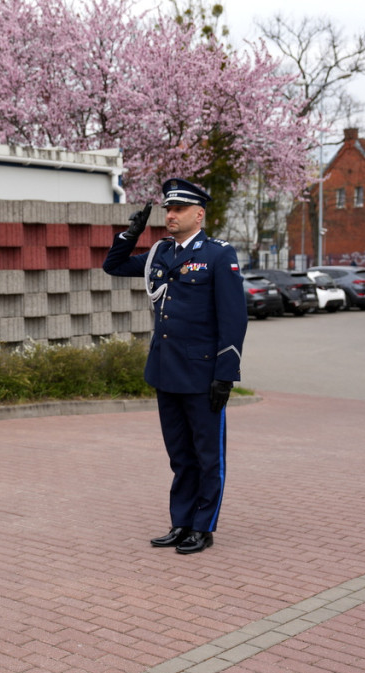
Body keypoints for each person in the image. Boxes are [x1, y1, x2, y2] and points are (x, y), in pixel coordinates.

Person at [103, 178, 247, 554]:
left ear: (198, 214)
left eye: (179, 209)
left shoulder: (218, 254)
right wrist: (129, 234)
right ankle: (181, 522)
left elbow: (233, 319)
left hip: (202, 376)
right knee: (180, 455)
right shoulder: (160, 254)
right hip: (166, 371)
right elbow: (113, 267)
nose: (170, 214)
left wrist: (225, 375)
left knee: (207, 456)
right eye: (168, 208)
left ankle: (204, 526)